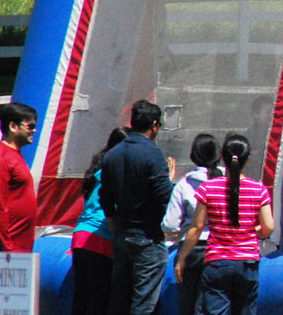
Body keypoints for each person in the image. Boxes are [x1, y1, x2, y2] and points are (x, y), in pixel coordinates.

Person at [174, 134, 274, 315]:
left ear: (222, 156)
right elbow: (268, 227)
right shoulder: (258, 189)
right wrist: (252, 233)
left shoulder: (208, 188)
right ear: (248, 158)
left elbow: (196, 228)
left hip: (217, 262)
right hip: (247, 263)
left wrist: (182, 258)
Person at [100, 100, 175, 315]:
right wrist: (169, 181)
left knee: (120, 297)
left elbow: (105, 197)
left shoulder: (112, 154)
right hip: (147, 237)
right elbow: (164, 195)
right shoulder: (152, 154)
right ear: (154, 125)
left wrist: (115, 227)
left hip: (122, 234)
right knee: (143, 303)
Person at [162, 133, 223, 315]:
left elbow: (170, 225)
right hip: (221, 249)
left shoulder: (184, 184)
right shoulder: (227, 181)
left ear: (193, 156)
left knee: (188, 306)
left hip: (191, 250)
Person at [71, 126, 130, 315]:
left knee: (81, 296)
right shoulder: (115, 173)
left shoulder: (96, 171)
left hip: (81, 235)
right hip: (101, 238)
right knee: (99, 298)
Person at [0, 102, 38, 252]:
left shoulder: (16, 156)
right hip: (10, 250)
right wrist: (6, 247)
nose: (34, 130)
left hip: (21, 247)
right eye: (30, 126)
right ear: (13, 127)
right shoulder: (3, 157)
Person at [243, 95, 273, 180]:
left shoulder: (275, 134)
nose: (271, 115)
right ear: (256, 114)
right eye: (268, 112)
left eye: (274, 112)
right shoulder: (250, 136)